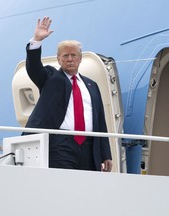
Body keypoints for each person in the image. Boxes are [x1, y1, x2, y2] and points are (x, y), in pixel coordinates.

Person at [23, 16, 112, 172]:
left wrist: (106, 154)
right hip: (60, 144)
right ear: (58, 59)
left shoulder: (91, 85)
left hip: (89, 147)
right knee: (64, 186)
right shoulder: (50, 77)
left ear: (80, 59)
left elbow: (100, 121)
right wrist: (37, 40)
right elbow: (34, 68)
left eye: (73, 55)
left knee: (87, 188)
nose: (70, 59)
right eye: (65, 56)